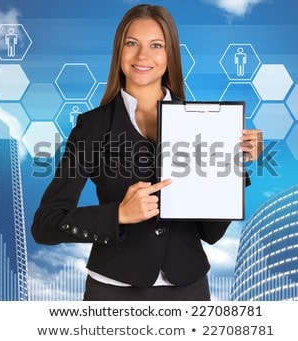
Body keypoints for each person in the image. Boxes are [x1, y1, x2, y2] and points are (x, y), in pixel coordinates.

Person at [31, 4, 263, 301]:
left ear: (170, 56)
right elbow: (46, 225)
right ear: (119, 51)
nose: (143, 56)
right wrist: (119, 214)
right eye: (132, 43)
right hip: (113, 291)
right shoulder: (93, 127)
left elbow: (211, 232)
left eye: (156, 45)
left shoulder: (207, 123)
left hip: (189, 290)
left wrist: (235, 164)